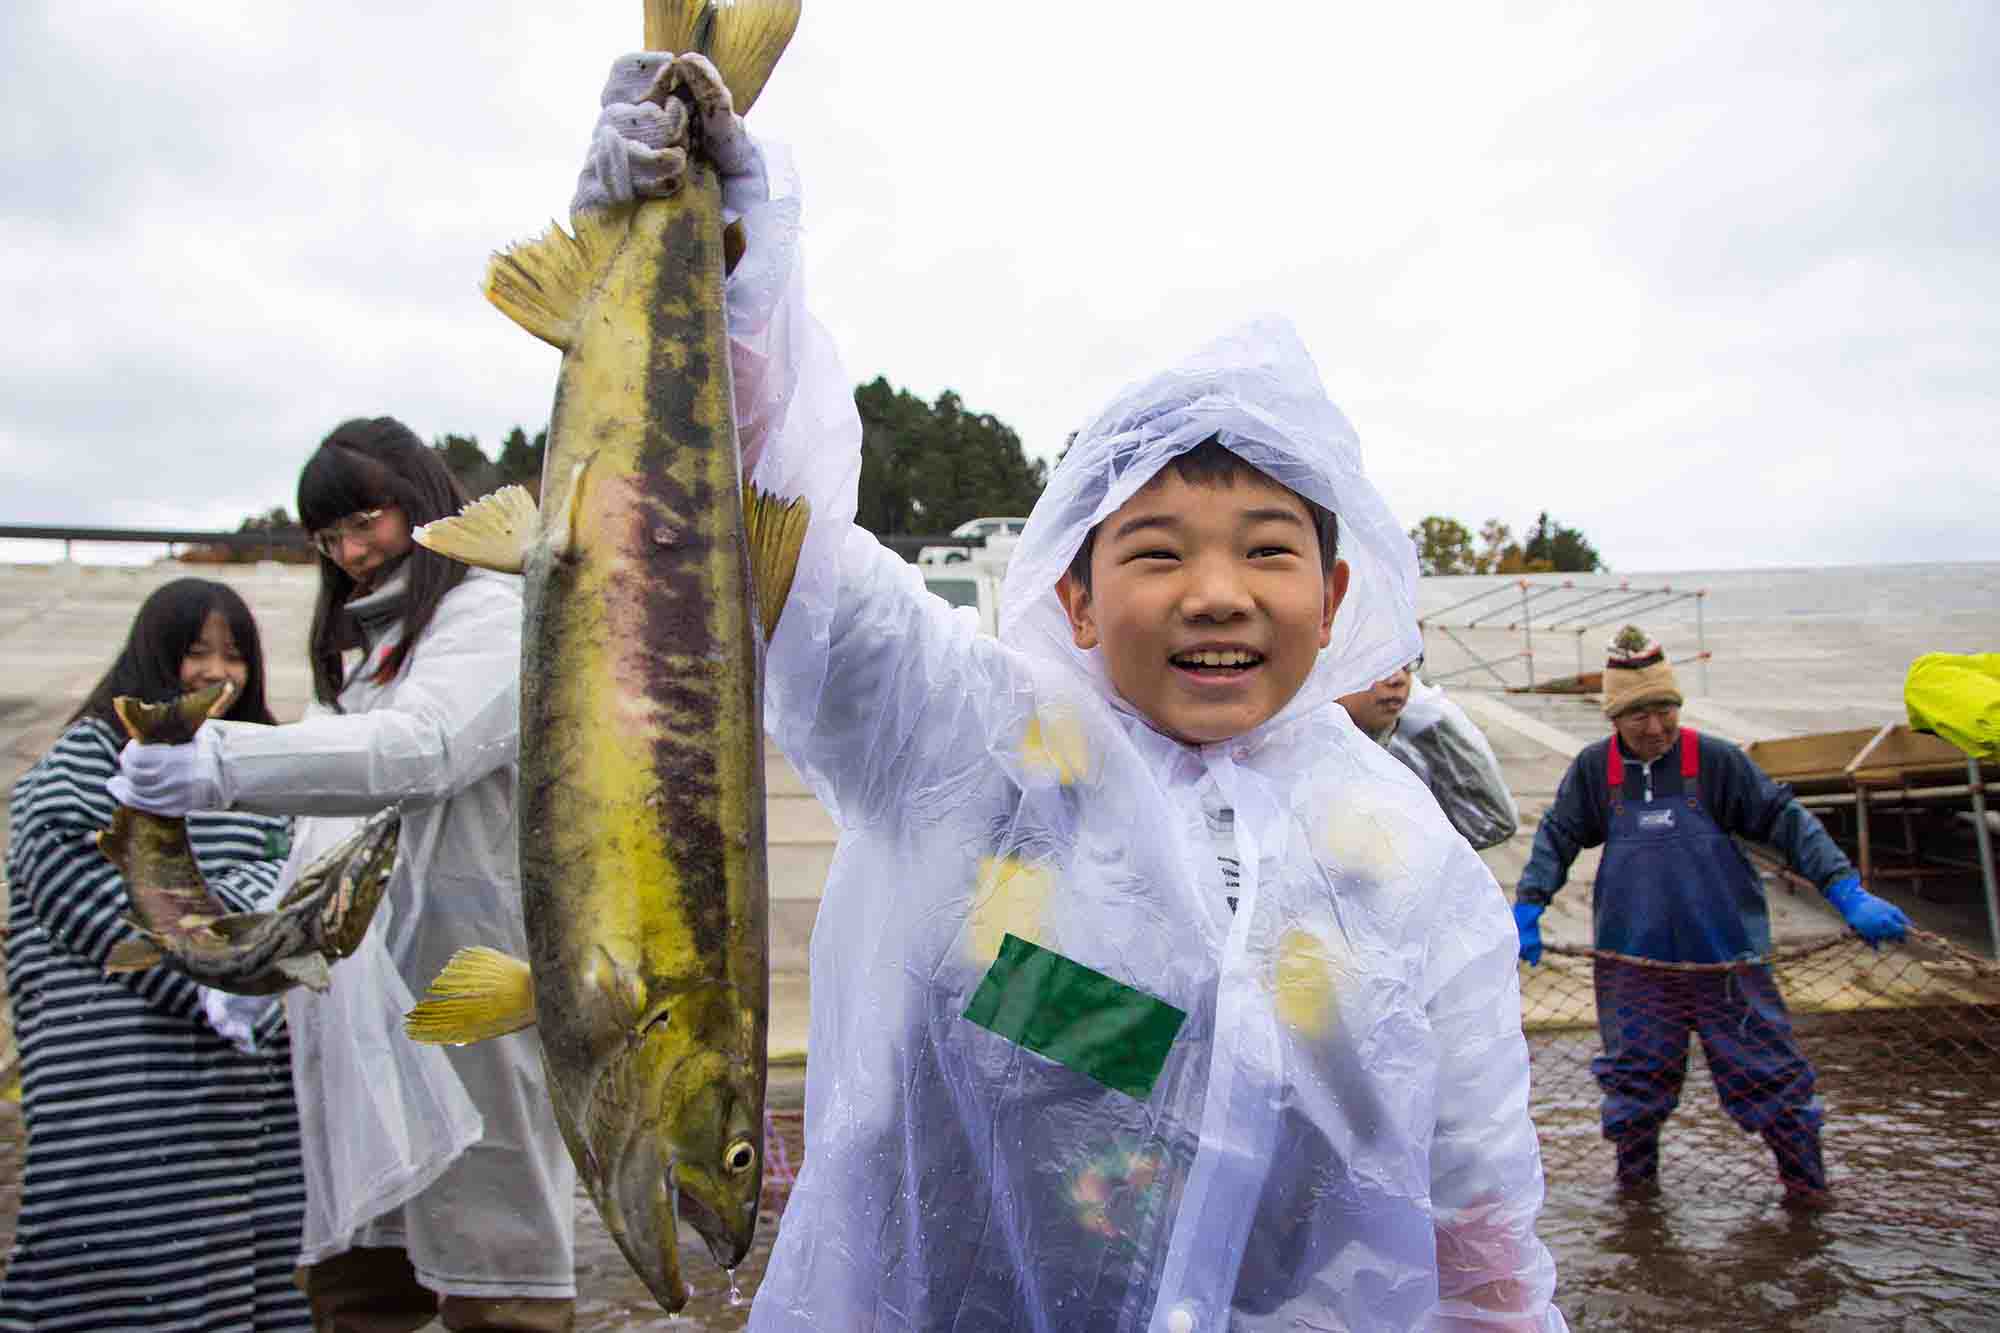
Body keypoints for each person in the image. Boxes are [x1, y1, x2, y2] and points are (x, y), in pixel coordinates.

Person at [581, 52, 1566, 1329]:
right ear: (1074, 597)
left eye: (1267, 549)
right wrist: (706, 260)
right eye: (1157, 551)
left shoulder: (1400, 857)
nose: (1216, 593)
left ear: (1330, 602)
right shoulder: (970, 745)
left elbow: (1475, 1194)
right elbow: (780, 547)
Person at [112, 421, 576, 1333]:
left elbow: (424, 749)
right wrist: (259, 960)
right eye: (329, 537)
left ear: (422, 498)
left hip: (466, 984)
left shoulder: (490, 612)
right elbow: (331, 824)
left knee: (499, 1271)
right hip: (357, 1002)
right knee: (363, 1282)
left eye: (367, 520)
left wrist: (222, 764)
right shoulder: (361, 651)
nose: (352, 553)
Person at [1, 578, 309, 1331]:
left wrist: (250, 926)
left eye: (234, 655)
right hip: (124, 1099)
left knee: (261, 1283)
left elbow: (298, 881)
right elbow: (106, 903)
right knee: (126, 1282)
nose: (216, 672)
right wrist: (233, 952)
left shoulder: (266, 767)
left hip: (251, 1104)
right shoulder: (78, 773)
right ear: (151, 656)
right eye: (193, 652)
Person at [1512, 626, 1909, 1205]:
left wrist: (1845, 890)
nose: (1654, 728)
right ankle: (1638, 1201)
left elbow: (1787, 822)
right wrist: (1528, 906)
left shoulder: (1715, 762)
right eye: (1637, 715)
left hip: (1729, 965)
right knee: (1633, 1093)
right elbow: (1557, 837)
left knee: (1772, 1082)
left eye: (1665, 711)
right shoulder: (1597, 772)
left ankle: (1808, 1197)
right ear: (1613, 718)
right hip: (1635, 970)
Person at [1339, 660, 1520, 850]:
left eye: (1408, 662)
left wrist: (1432, 723)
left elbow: (1491, 824)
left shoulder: (1409, 741)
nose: (1398, 679)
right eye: (1379, 659)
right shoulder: (1313, 757)